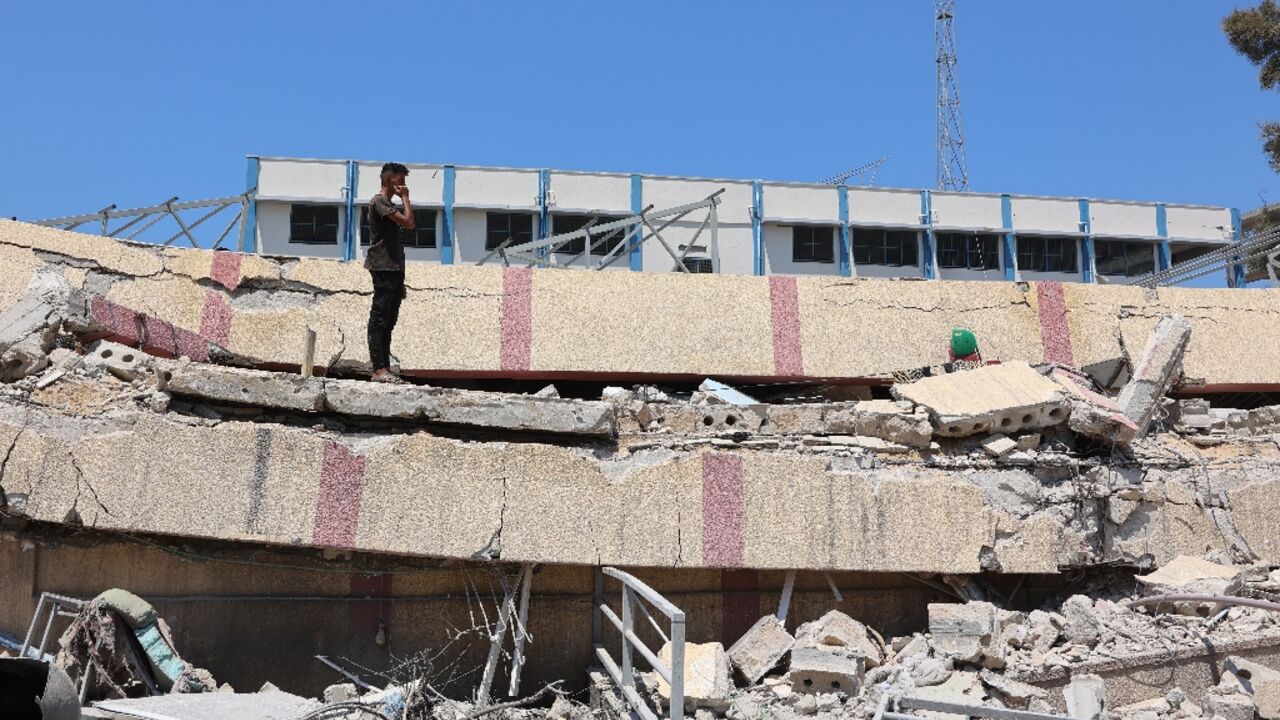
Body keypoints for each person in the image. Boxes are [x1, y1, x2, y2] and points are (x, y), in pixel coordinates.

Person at [365, 162, 414, 383]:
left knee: (390, 319)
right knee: (379, 318)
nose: (403, 184)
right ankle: (378, 368)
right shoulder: (379, 202)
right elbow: (409, 222)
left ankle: (384, 367)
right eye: (400, 179)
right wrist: (405, 198)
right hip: (382, 266)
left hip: (394, 268)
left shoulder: (388, 204)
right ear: (389, 178)